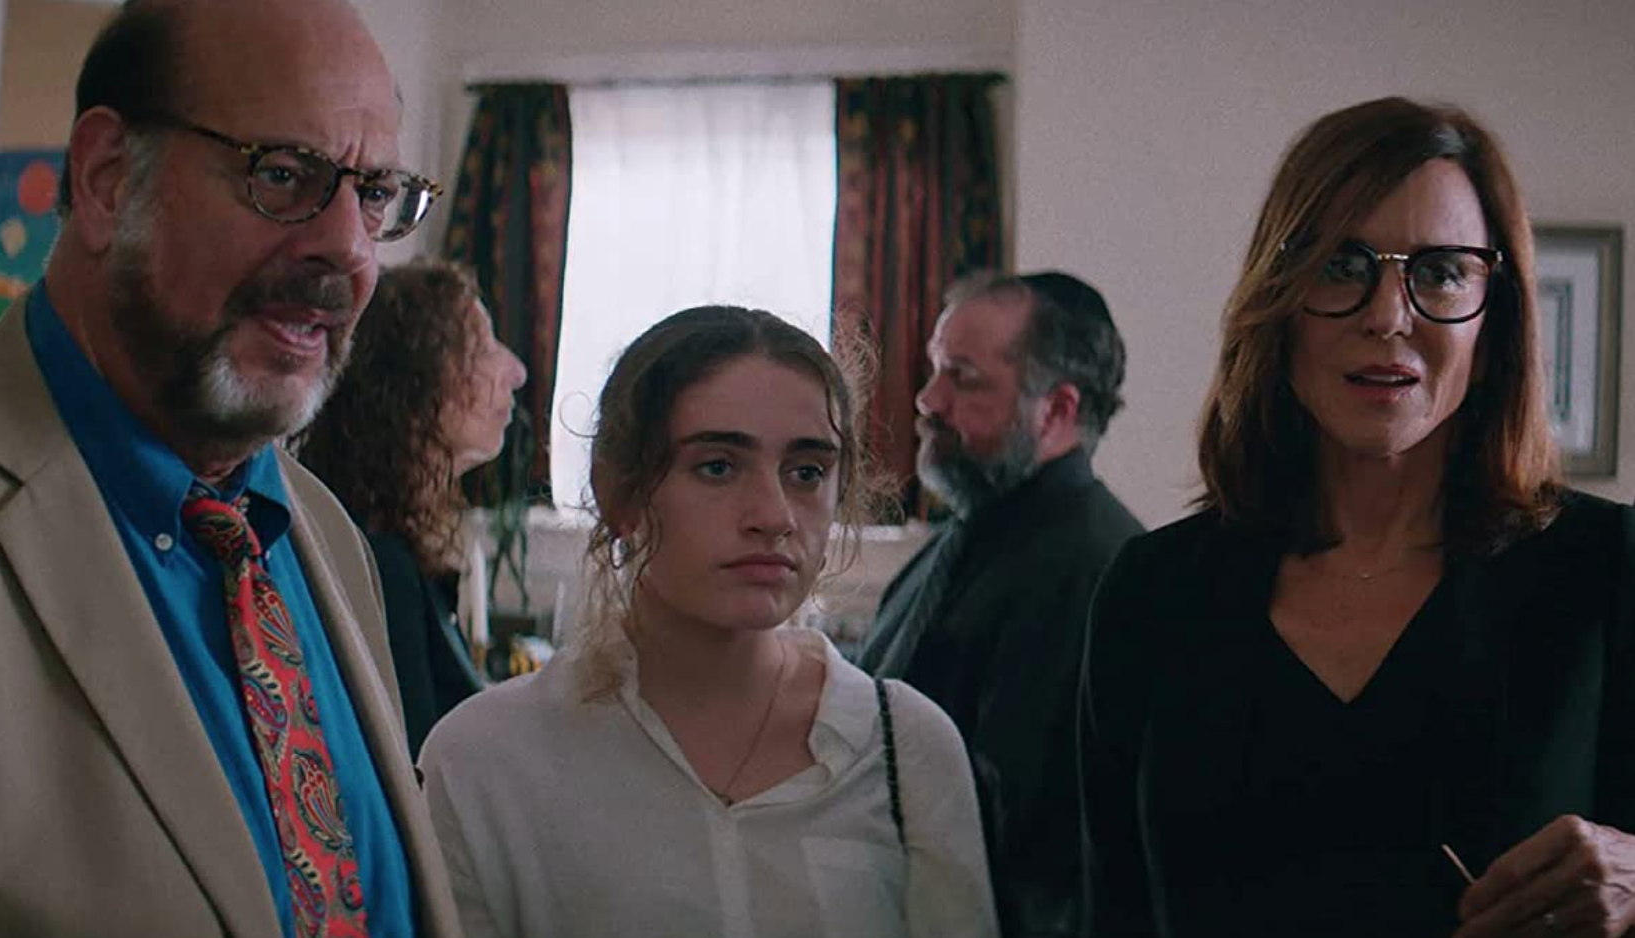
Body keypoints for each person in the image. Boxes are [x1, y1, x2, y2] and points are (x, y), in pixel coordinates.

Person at [0, 1, 464, 936]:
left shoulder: (326, 537)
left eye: (375, 195)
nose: (349, 252)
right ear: (108, 179)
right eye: (283, 174)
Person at [1078, 96, 1635, 938]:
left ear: (1497, 323)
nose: (1387, 315)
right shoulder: (1151, 593)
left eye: (1440, 272)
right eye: (1342, 264)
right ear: (1278, 302)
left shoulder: (1604, 572)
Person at [420, 306, 999, 937]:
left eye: (807, 473)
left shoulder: (904, 748)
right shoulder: (486, 761)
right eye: (717, 467)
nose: (774, 515)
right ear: (619, 493)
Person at [858, 271, 1142, 936]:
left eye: (963, 377)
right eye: (936, 369)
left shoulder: (1098, 573)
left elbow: (1023, 837)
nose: (928, 399)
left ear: (1057, 410)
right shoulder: (965, 533)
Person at [294, 259, 528, 759]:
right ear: (414, 384)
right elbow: (415, 766)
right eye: (482, 348)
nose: (516, 371)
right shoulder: (377, 563)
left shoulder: (394, 545)